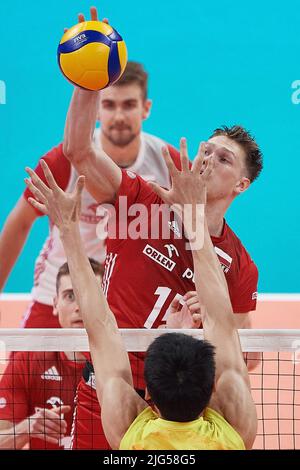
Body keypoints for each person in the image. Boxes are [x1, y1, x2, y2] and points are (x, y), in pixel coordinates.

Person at [59, 20, 262, 445]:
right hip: (110, 392)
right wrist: (88, 81)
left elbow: (250, 356)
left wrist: (208, 323)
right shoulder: (141, 200)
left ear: (241, 185)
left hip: (186, 409)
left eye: (223, 159)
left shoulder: (239, 264)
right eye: (206, 150)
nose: (207, 159)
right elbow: (79, 151)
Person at [25, 145, 257, 450]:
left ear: (147, 397)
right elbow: (225, 335)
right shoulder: (236, 431)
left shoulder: (130, 435)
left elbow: (101, 328)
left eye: (223, 158)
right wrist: (196, 217)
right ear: (211, 396)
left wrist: (69, 230)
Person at [0, 9, 181, 329]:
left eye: (128, 105)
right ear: (96, 109)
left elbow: (193, 232)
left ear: (146, 109)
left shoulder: (168, 162)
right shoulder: (64, 161)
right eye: (109, 105)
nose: (119, 115)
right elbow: (18, 223)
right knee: (19, 380)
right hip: (60, 292)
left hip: (123, 297)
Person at [0, 258, 102, 449]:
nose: (79, 307)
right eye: (70, 296)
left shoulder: (125, 362)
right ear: (55, 304)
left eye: (88, 295)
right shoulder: (28, 361)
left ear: (105, 302)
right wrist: (26, 428)